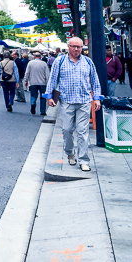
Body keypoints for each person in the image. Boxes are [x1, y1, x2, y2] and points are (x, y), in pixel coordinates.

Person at [44, 37, 102, 172]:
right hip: (66, 101)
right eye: (74, 46)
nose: (76, 49)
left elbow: (95, 80)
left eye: (79, 47)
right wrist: (48, 96)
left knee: (83, 131)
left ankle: (84, 160)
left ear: (82, 48)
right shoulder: (60, 61)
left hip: (84, 101)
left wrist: (97, 98)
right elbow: (52, 79)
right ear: (68, 47)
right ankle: (70, 152)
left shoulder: (88, 61)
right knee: (67, 129)